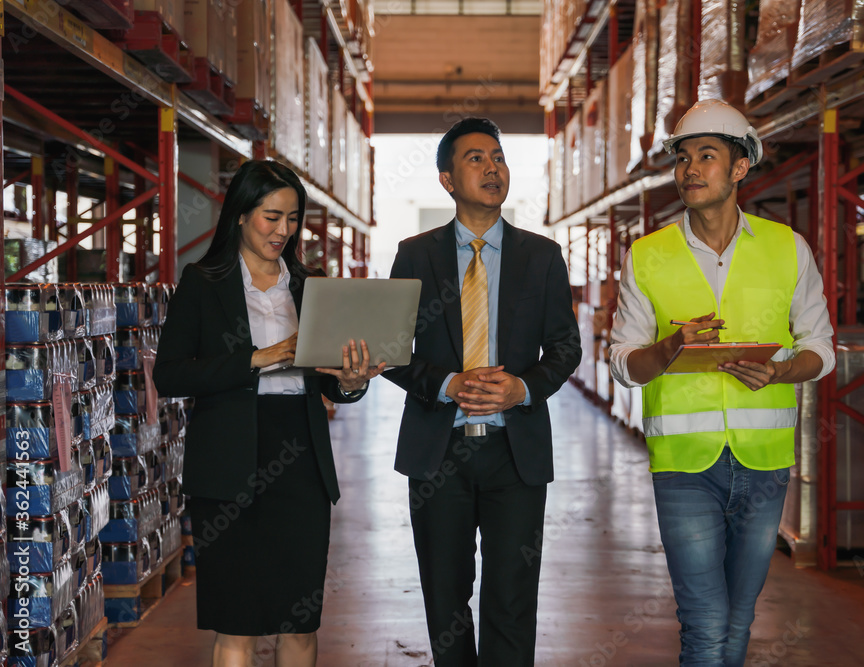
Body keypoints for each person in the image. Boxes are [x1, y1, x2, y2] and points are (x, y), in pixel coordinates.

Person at [608, 99, 835, 666]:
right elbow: (621, 362)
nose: (689, 169)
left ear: (739, 168)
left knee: (738, 617)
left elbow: (821, 348)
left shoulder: (788, 249)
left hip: (763, 464)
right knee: (706, 621)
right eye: (682, 158)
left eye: (706, 156)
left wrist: (780, 371)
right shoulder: (647, 255)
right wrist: (669, 347)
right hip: (684, 466)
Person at [153, 159, 384, 667]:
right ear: (240, 214)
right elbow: (169, 375)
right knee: (236, 621)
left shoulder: (309, 286)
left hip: (299, 460)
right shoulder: (203, 283)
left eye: (293, 218)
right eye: (271, 217)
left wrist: (349, 383)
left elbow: (331, 384)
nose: (284, 230)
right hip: (227, 461)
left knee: (297, 619)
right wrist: (262, 357)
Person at [383, 118, 581, 666]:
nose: (493, 167)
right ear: (447, 179)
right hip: (437, 452)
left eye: (498, 157)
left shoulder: (540, 257)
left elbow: (565, 347)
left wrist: (521, 387)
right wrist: (447, 383)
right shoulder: (415, 256)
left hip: (514, 454)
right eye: (476, 158)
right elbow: (392, 351)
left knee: (512, 598)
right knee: (445, 599)